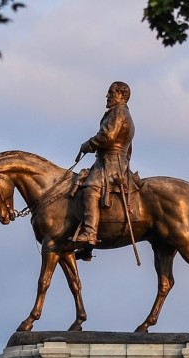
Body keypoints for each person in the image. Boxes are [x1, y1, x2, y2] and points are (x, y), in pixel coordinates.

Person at [72, 81, 134, 248]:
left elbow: (107, 136)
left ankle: (90, 233)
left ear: (121, 95)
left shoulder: (119, 112)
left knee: (90, 189)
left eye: (111, 92)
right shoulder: (119, 113)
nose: (107, 96)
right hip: (110, 160)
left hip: (111, 162)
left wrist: (88, 145)